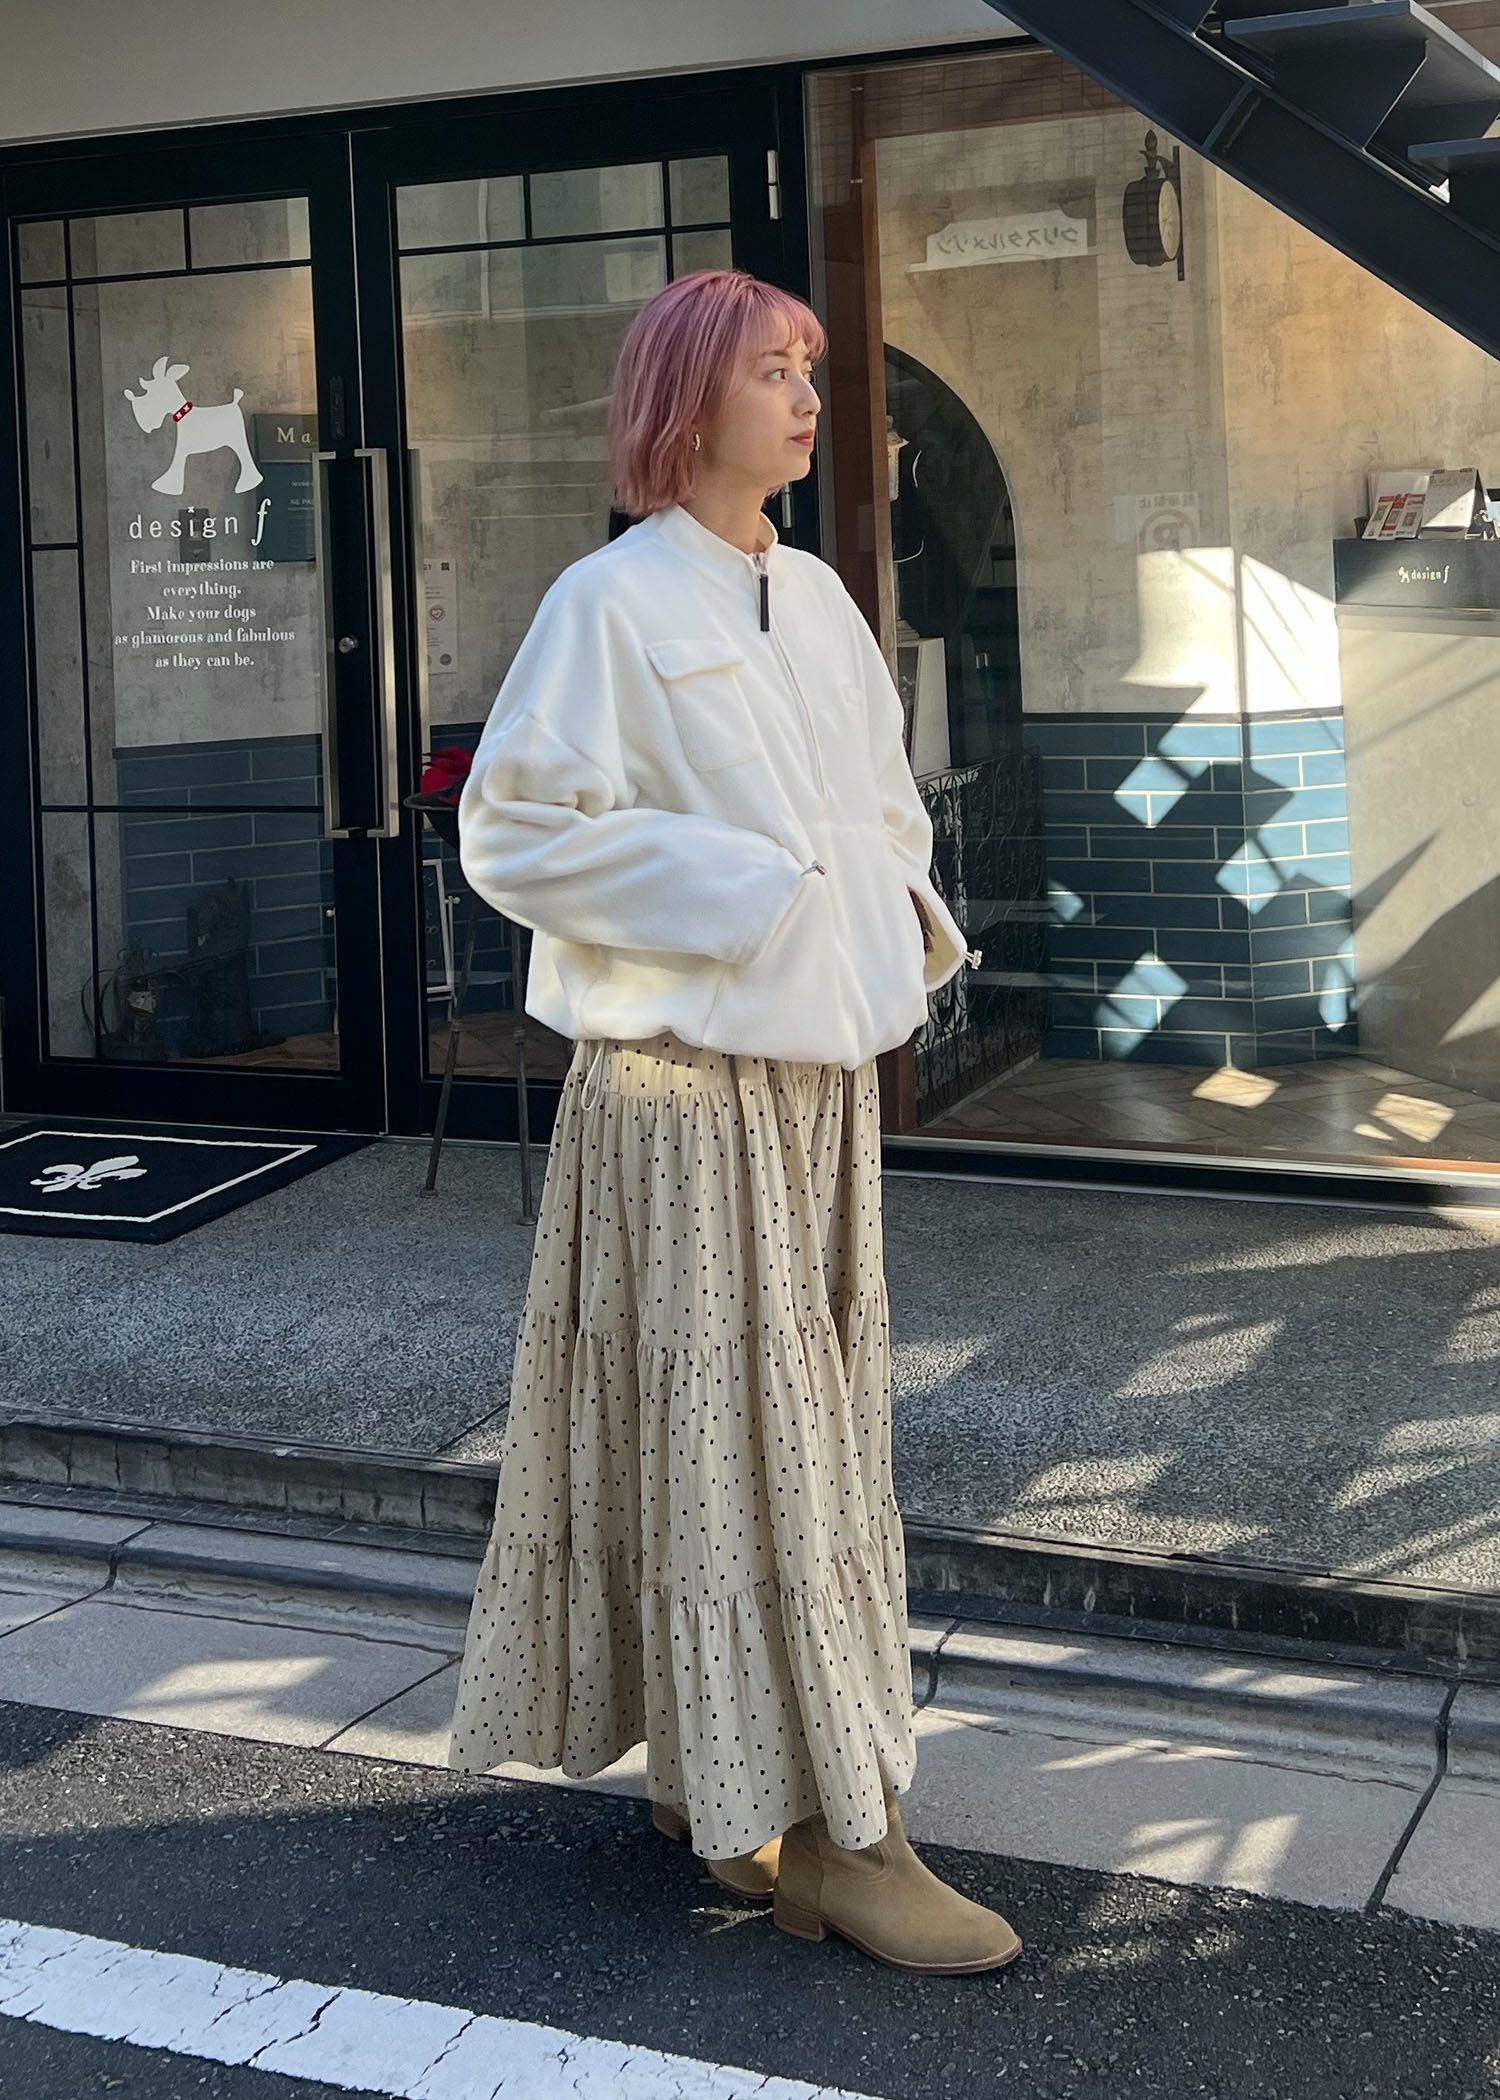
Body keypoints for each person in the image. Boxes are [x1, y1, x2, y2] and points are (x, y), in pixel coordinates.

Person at [444, 267, 1020, 1977]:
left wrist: (889, 928)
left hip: (818, 1094)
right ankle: (848, 1834)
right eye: (776, 370)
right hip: (686, 1094)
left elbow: (885, 804)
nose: (810, 398)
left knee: (790, 1447)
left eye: (811, 371)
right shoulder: (610, 601)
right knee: (757, 1452)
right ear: (688, 402)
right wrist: (748, 897)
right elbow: (514, 828)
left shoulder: (819, 596)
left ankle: (734, 1781)